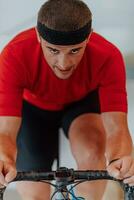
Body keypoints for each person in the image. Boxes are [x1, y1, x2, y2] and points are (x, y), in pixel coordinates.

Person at [0, 0, 134, 199]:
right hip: (33, 108)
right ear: (38, 36)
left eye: (74, 50)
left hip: (81, 104)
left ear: (89, 37)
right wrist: (3, 158)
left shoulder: (108, 55)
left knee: (91, 149)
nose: (64, 64)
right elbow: (5, 132)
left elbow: (117, 128)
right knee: (33, 193)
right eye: (53, 50)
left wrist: (121, 161)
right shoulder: (14, 54)